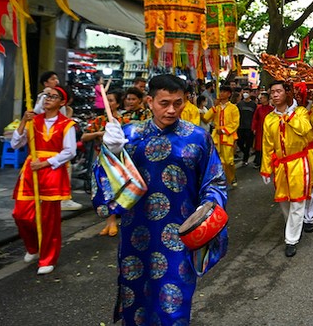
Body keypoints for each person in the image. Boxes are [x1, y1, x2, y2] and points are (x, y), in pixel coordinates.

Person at [98, 74, 228, 325]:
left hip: (180, 233)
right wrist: (111, 154)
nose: (171, 110)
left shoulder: (198, 137)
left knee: (174, 303)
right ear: (149, 101)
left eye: (177, 103)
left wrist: (207, 209)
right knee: (136, 299)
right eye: (164, 103)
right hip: (136, 233)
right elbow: (107, 183)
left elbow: (215, 180)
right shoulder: (129, 136)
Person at [12, 86, 77, 275]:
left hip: (52, 172)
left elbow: (70, 151)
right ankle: (33, 246)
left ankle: (48, 258)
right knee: (21, 214)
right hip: (30, 172)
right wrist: (24, 121)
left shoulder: (67, 124)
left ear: (62, 103)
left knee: (49, 219)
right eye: (46, 95)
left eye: (53, 96)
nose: (48, 99)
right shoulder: (33, 120)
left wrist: (46, 163)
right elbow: (16, 143)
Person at [260, 81, 313, 257]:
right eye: (272, 92)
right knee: (284, 202)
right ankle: (293, 229)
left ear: (287, 93)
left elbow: (305, 129)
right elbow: (267, 145)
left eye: (278, 91)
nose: (274, 95)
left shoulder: (301, 112)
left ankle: (291, 240)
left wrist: (289, 116)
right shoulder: (269, 118)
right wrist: (266, 168)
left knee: (298, 203)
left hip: (298, 162)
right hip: (281, 166)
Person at [33, 72, 79, 210]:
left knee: (50, 209)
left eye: (56, 77)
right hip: (38, 159)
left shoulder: (64, 119)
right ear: (45, 83)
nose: (56, 80)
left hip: (57, 149)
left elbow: (70, 151)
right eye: (52, 79)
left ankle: (64, 199)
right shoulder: (43, 99)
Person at [81, 89, 123, 237]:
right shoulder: (99, 120)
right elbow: (84, 137)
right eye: (107, 100)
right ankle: (110, 221)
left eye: (111, 100)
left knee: (119, 192)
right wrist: (99, 134)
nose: (109, 103)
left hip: (120, 162)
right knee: (105, 192)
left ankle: (117, 220)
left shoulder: (124, 120)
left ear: (117, 104)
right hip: (102, 162)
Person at [202, 84, 240, 187]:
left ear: (229, 94)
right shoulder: (216, 108)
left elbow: (235, 123)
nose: (221, 93)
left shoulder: (233, 108)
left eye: (224, 91)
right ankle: (221, 180)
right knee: (218, 160)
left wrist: (223, 131)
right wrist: (214, 107)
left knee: (229, 161)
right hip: (216, 137)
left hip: (228, 137)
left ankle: (231, 177)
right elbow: (206, 118)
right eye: (221, 91)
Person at [251, 92, 273, 168]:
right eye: (261, 98)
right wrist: (254, 128)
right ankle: (258, 162)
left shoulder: (271, 109)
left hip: (268, 130)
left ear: (267, 99)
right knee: (259, 146)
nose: (261, 99)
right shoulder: (258, 108)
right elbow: (255, 118)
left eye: (263, 98)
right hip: (259, 129)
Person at [236, 91, 257, 167]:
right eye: (244, 92)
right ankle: (246, 153)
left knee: (248, 144)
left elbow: (255, 116)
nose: (245, 93)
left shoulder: (253, 105)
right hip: (240, 126)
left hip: (249, 127)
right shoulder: (240, 104)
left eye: (247, 92)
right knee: (239, 143)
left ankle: (245, 159)